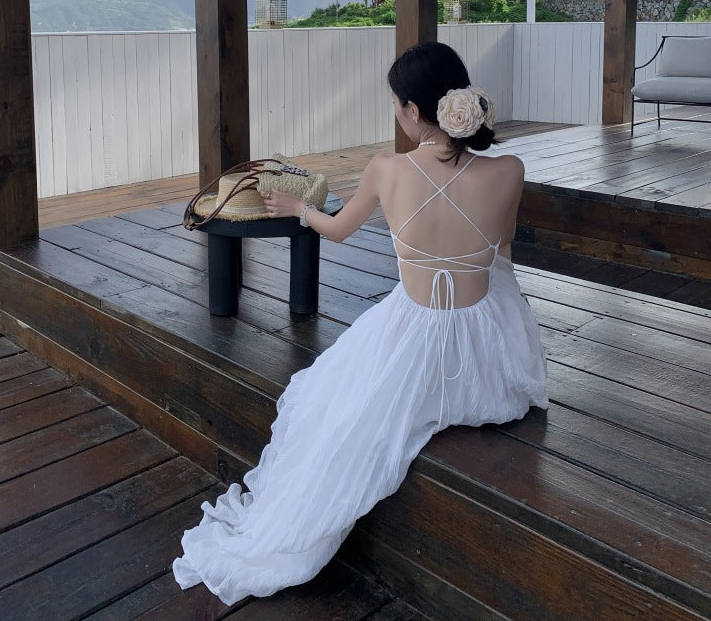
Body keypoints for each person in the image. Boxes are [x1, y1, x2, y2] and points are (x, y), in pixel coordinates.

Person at [172, 41, 548, 605]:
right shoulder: (510, 170)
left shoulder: (386, 170)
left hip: (415, 332)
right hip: (483, 346)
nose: (396, 114)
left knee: (325, 405)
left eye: (396, 105)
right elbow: (503, 251)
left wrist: (299, 210)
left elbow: (339, 229)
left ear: (414, 111)